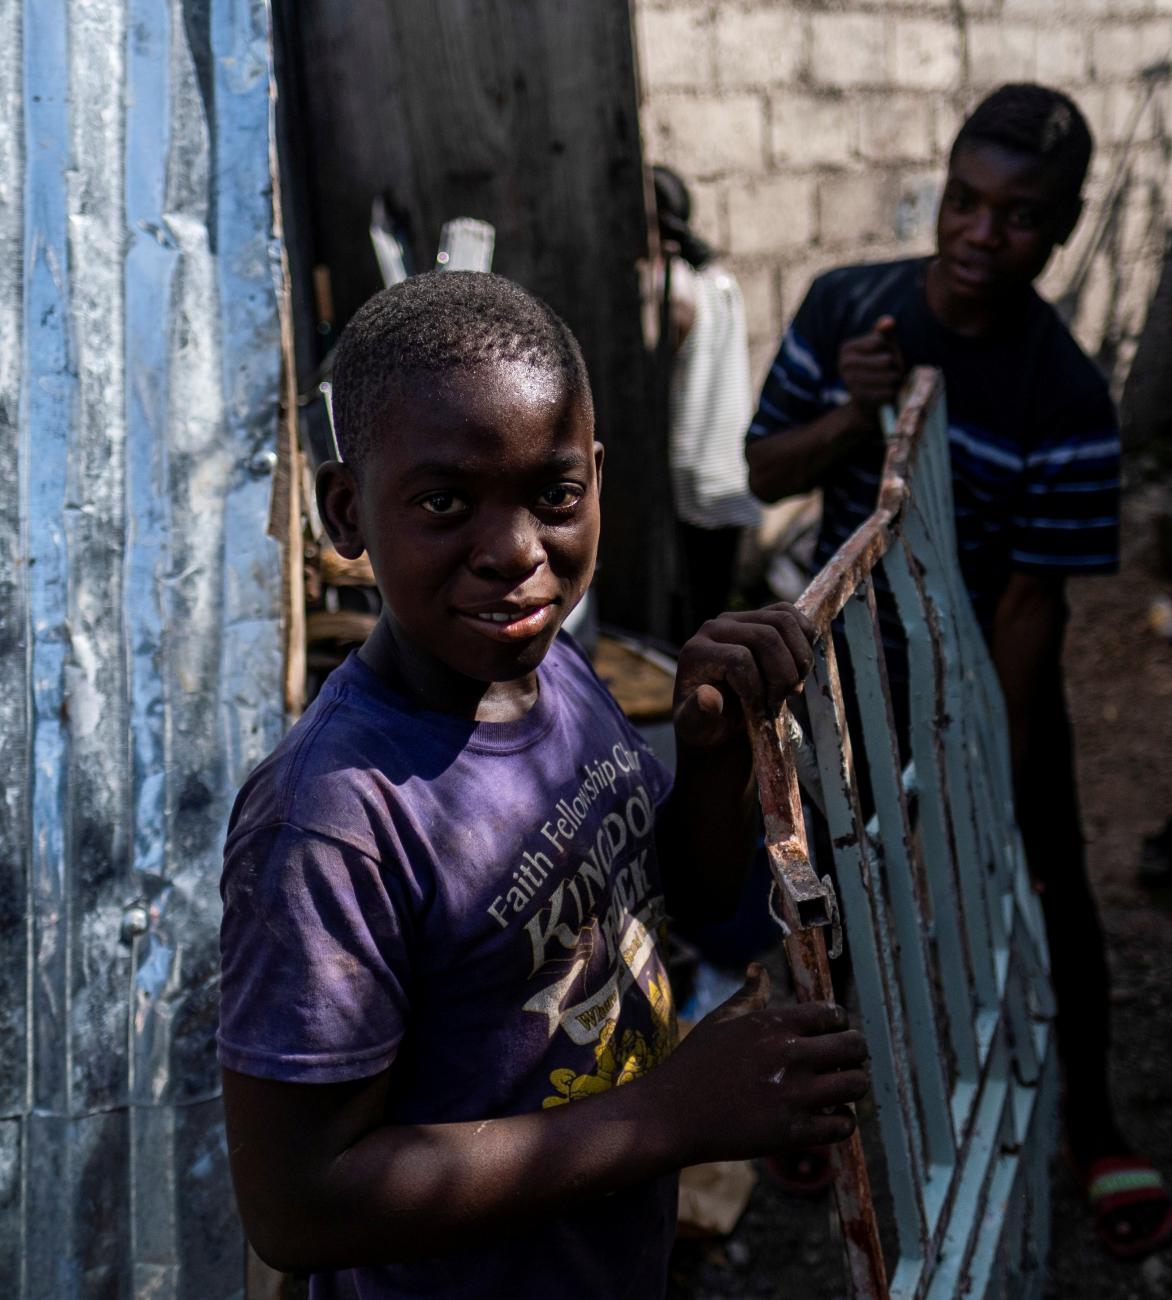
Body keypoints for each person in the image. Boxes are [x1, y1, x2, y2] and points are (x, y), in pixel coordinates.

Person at [217, 271, 868, 1298]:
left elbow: (682, 908)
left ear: (597, 480)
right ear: (347, 510)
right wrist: (671, 1116)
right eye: (443, 502)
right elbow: (298, 1204)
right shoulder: (335, 823)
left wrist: (709, 756)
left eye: (554, 495)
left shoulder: (551, 668)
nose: (516, 554)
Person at [746, 84, 1172, 1260]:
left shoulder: (1068, 396)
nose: (983, 235)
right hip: (843, 679)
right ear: (939, 191)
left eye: (1020, 216)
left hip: (987, 671)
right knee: (821, 886)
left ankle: (1091, 1120)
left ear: (1066, 223)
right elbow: (764, 463)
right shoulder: (852, 307)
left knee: (1047, 880)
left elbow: (1033, 608)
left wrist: (987, 761)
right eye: (964, 202)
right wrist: (854, 415)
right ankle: (808, 1097)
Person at [652, 165, 762, 636]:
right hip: (728, 471)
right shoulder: (718, 277)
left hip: (691, 480)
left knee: (691, 626)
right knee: (715, 612)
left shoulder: (672, 290)